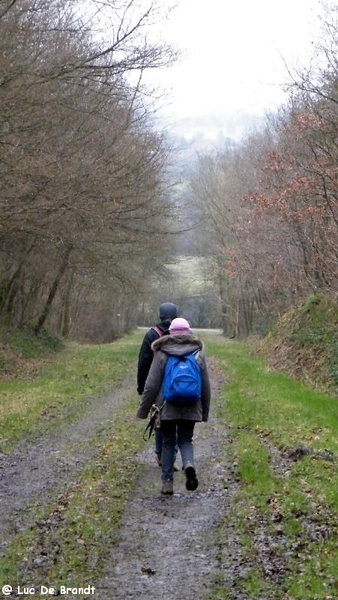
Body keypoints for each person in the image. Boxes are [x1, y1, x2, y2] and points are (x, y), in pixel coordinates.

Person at [137, 317, 211, 496]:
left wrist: (144, 410)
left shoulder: (162, 352)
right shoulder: (198, 353)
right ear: (189, 332)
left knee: (168, 442)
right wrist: (204, 412)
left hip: (166, 406)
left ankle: (167, 483)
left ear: (171, 333)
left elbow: (151, 384)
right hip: (191, 405)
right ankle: (189, 464)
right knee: (186, 440)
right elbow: (206, 385)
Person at [137, 302, 178, 466]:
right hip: (176, 383)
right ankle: (171, 455)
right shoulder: (180, 334)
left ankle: (160, 454)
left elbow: (143, 363)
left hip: (156, 385)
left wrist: (142, 388)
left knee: (159, 420)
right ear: (175, 316)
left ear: (159, 316)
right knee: (175, 421)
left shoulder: (151, 334)